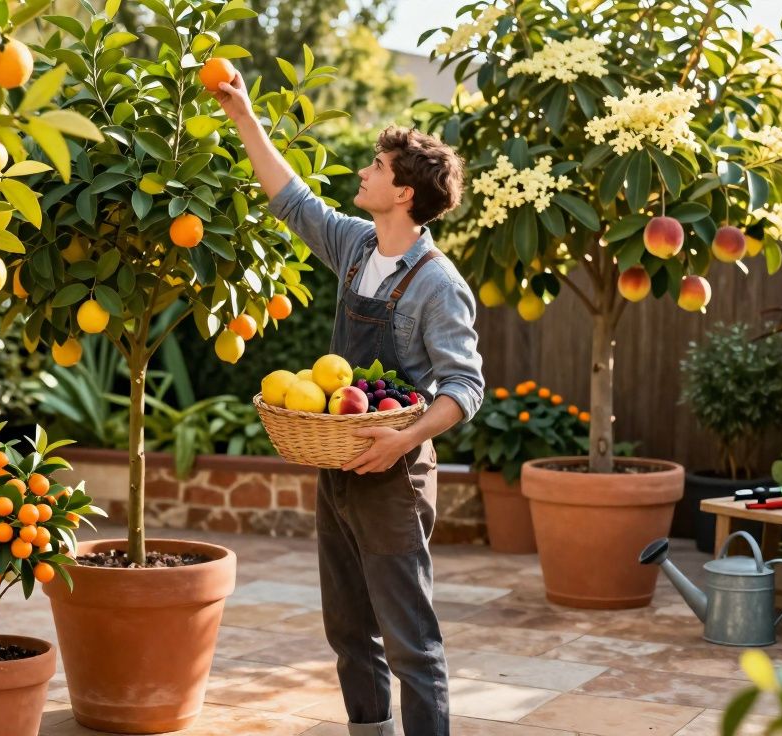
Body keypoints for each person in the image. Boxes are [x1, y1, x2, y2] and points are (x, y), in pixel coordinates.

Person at [212, 71, 484, 736]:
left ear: (405, 191)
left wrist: (399, 440)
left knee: (409, 640)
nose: (364, 172)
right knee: (348, 630)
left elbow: (464, 388)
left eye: (377, 165)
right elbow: (293, 200)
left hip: (393, 475)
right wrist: (244, 114)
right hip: (338, 463)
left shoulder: (438, 285)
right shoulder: (358, 246)